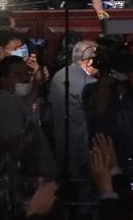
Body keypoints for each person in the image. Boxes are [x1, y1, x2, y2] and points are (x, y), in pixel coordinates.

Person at [0, 56, 55, 179]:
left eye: (26, 73)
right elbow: (15, 146)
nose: (25, 79)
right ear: (4, 80)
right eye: (18, 75)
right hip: (18, 177)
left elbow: (22, 107)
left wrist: (36, 86)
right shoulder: (4, 104)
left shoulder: (2, 97)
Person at [48, 39, 97, 177]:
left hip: (61, 147)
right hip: (80, 154)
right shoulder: (88, 83)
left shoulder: (60, 74)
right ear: (90, 61)